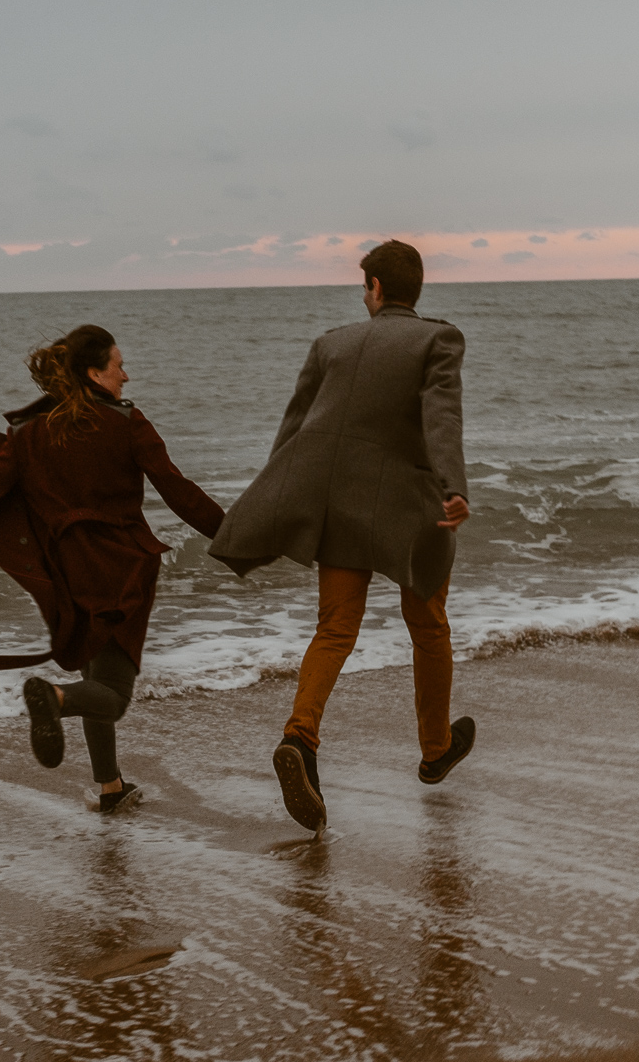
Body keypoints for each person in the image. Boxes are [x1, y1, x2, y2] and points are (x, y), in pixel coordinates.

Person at [0, 325, 226, 814]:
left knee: (94, 673)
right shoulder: (127, 423)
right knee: (110, 693)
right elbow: (179, 490)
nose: (126, 377)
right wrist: (239, 538)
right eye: (118, 365)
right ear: (94, 372)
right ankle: (55, 699)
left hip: (63, 573)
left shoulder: (26, 434)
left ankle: (109, 787)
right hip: (121, 571)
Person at [210, 240, 474, 832]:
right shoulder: (439, 338)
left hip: (337, 509)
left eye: (365, 286)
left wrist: (274, 498)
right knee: (427, 624)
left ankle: (299, 738)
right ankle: (435, 751)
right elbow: (441, 413)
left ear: (376, 289)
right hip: (407, 510)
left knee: (335, 628)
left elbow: (294, 428)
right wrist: (454, 485)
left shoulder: (330, 343)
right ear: (416, 289)